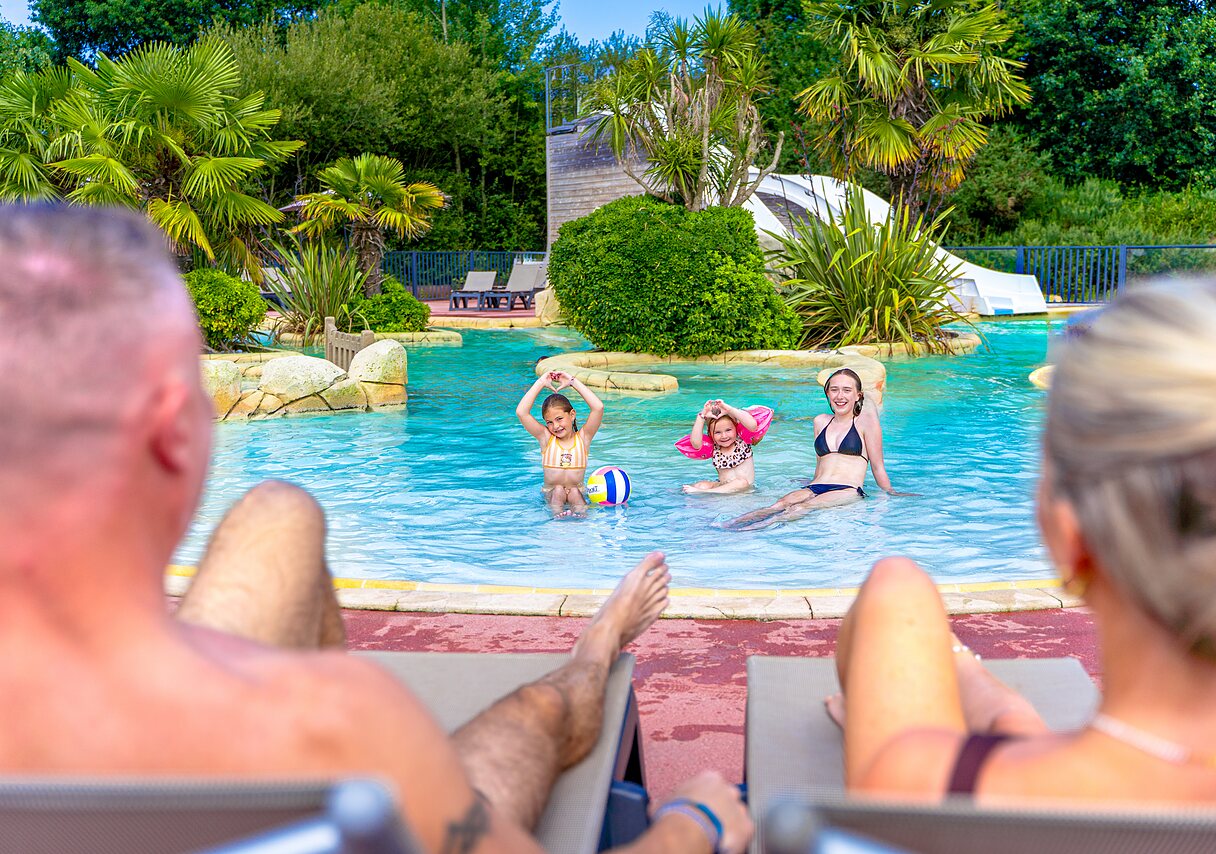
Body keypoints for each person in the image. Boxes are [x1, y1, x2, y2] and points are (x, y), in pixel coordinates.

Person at [0, 204, 753, 854]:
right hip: (301, 761)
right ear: (172, 434)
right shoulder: (353, 723)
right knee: (543, 709)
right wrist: (696, 822)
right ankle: (595, 644)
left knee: (279, 514)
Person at [831, 277, 1216, 806]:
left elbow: (894, 591)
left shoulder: (927, 783)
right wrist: (1011, 719)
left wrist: (993, 703)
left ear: (1073, 540)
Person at [726, 369, 902, 530]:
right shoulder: (820, 421)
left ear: (858, 395)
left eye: (847, 390)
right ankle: (724, 527)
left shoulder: (866, 423)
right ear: (827, 393)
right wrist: (808, 483)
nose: (840, 396)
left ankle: (748, 532)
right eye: (834, 390)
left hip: (847, 490)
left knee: (801, 507)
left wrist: (890, 493)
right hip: (815, 486)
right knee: (778, 505)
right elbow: (821, 463)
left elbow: (878, 466)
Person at [516, 369, 604, 516]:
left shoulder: (583, 439)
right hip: (551, 496)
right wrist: (540, 383)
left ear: (572, 415)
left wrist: (572, 382)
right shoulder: (546, 439)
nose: (555, 426)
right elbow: (521, 412)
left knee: (575, 491)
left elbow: (598, 407)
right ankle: (557, 517)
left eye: (559, 419)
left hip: (577, 496)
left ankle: (581, 516)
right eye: (549, 422)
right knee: (557, 489)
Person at [682, 399, 760, 495]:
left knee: (741, 482)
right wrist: (702, 416)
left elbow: (753, 426)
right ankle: (682, 492)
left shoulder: (741, 440)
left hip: (743, 488)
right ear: (710, 434)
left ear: (736, 428)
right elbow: (695, 444)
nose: (724, 436)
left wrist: (729, 409)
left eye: (728, 430)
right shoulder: (714, 448)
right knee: (701, 484)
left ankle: (705, 492)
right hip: (723, 488)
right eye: (718, 432)